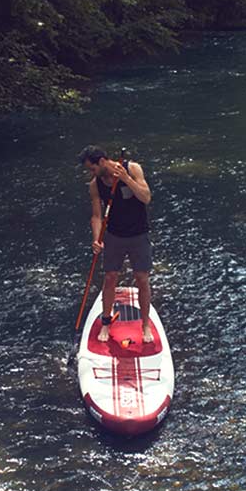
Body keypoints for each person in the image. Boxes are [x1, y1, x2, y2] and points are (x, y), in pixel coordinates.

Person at [79, 145, 153, 344]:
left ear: (102, 161)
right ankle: (106, 321)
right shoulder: (95, 185)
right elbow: (96, 216)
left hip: (138, 233)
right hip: (114, 235)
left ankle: (145, 324)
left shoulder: (133, 169)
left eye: (92, 168)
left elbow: (146, 197)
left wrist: (127, 180)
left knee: (142, 279)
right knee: (110, 277)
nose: (91, 173)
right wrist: (97, 239)